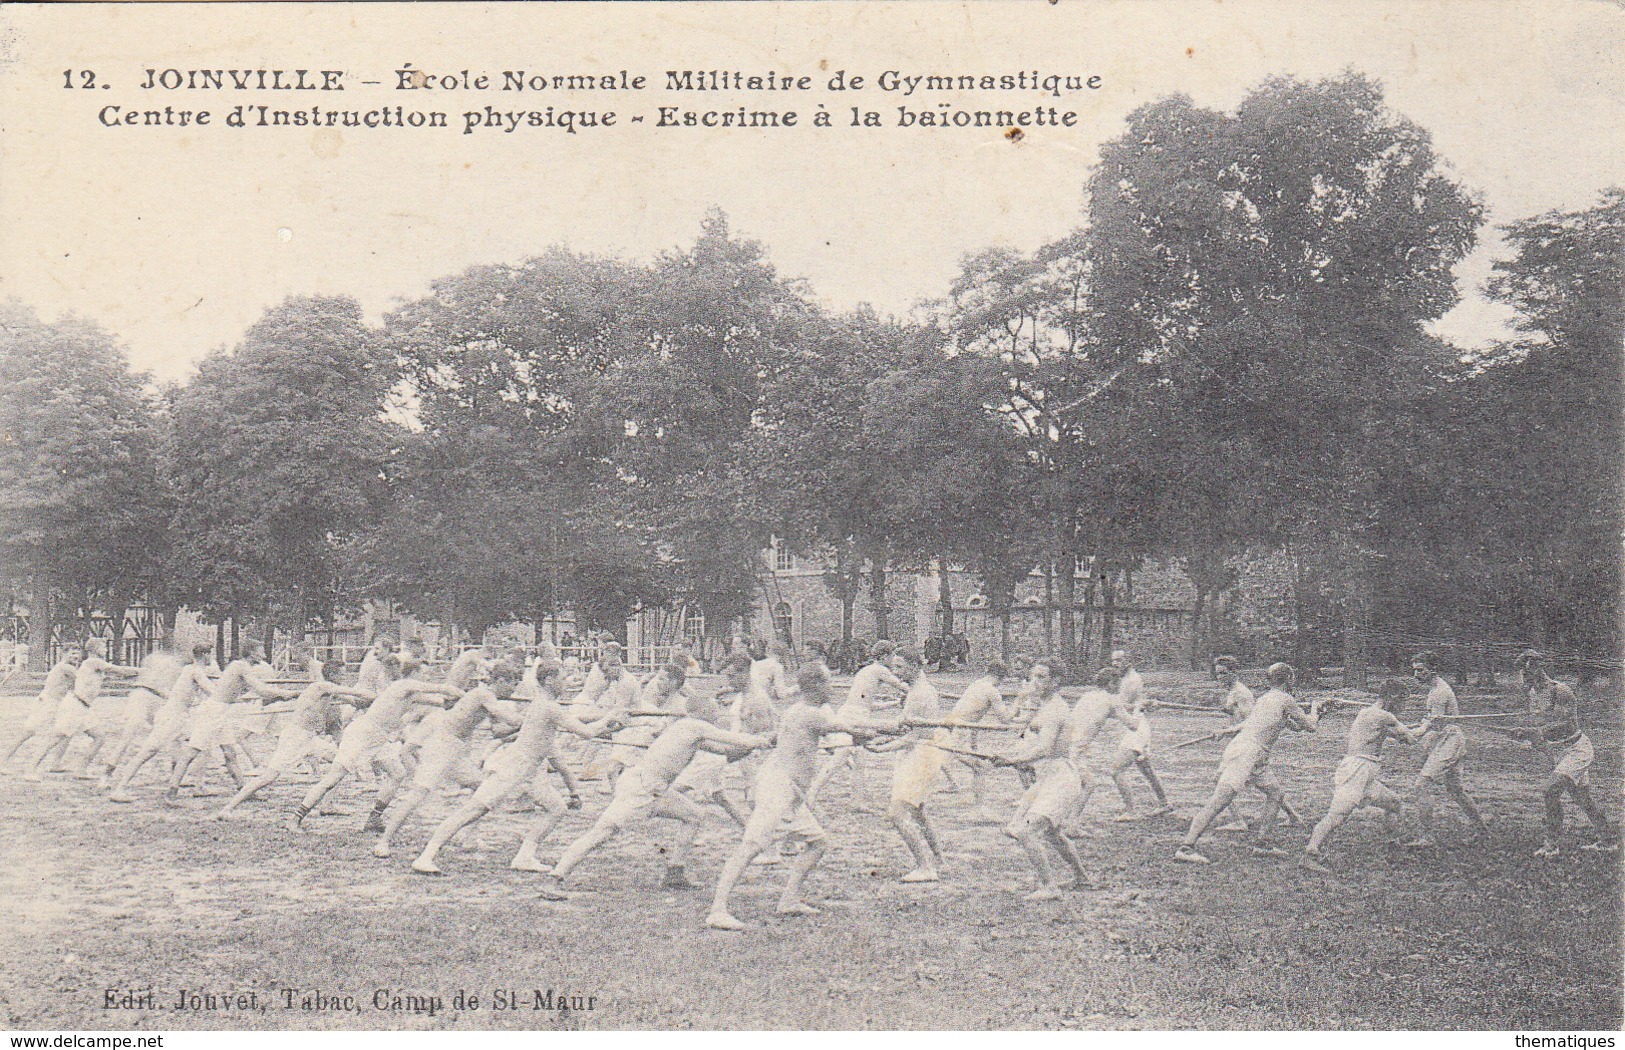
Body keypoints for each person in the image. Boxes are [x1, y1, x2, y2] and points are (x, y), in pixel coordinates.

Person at [705, 662, 900, 931]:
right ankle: (718, 910)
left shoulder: (801, 712)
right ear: (816, 686)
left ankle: (789, 899)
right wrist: (895, 726)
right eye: (828, 682)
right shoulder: (808, 714)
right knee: (750, 847)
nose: (832, 687)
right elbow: (852, 729)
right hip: (778, 789)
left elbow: (853, 734)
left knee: (818, 843)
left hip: (791, 792)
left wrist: (877, 733)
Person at [410, 659, 618, 876]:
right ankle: (425, 856)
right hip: (515, 767)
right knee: (472, 810)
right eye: (562, 679)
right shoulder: (548, 706)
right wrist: (611, 718)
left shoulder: (544, 704)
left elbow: (583, 726)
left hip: (532, 770)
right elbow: (585, 732)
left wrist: (608, 722)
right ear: (549, 680)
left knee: (557, 808)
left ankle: (524, 856)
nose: (565, 684)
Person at [545, 699, 770, 894]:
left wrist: (757, 744)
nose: (716, 714)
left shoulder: (692, 733)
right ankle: (556, 876)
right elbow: (734, 739)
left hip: (655, 789)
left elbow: (728, 752)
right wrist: (764, 739)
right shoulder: (693, 726)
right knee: (601, 833)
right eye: (713, 710)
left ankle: (675, 873)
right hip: (640, 790)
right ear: (702, 711)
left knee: (694, 815)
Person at [371, 661, 526, 855]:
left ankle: (468, 839)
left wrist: (524, 728)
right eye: (512, 684)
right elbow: (509, 719)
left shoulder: (489, 699)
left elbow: (499, 731)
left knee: (483, 789)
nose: (514, 689)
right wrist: (532, 718)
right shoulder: (483, 694)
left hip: (456, 751)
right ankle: (383, 842)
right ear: (501, 680)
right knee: (417, 795)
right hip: (440, 747)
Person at [1174, 662, 1320, 865]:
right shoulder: (1286, 700)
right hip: (1246, 754)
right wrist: (1316, 709)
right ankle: (1186, 847)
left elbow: (1289, 726)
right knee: (1219, 801)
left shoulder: (1265, 700)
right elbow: (1311, 726)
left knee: (1276, 795)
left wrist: (1225, 732)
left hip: (1255, 755)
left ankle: (1263, 844)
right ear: (1290, 679)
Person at [213, 659, 377, 817]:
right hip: (295, 737)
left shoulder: (331, 691)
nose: (345, 677)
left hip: (309, 738)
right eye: (342, 674)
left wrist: (375, 702)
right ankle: (227, 808)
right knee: (268, 777)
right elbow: (356, 692)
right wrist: (381, 695)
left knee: (338, 764)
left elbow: (357, 702)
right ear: (333, 674)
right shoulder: (321, 686)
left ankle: (327, 805)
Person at [1300, 679, 1430, 873]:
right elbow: (1410, 739)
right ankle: (1310, 853)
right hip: (1356, 771)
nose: (1403, 707)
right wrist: (1428, 725)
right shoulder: (1384, 716)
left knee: (1394, 804)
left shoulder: (1369, 713)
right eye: (1402, 702)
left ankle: (1391, 847)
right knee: (1336, 817)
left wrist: (1414, 726)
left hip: (1365, 773)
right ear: (1392, 698)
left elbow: (1394, 733)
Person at [991, 661, 1089, 901]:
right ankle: (1082, 878)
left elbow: (1044, 749)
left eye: (1042, 677)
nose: (1035, 682)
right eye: (1033, 677)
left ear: (1056, 682)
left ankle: (1049, 887)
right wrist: (1011, 756)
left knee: (1026, 832)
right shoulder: (1044, 708)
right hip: (1048, 777)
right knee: (1052, 833)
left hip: (1061, 777)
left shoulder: (1055, 710)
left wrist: (1010, 760)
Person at [164, 640, 298, 802]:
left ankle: (244, 790)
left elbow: (250, 692)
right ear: (252, 653)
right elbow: (262, 690)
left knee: (230, 753)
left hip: (220, 712)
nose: (264, 655)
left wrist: (281, 694)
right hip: (212, 712)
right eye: (261, 651)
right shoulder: (241, 666)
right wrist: (286, 694)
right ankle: (172, 790)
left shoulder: (240, 667)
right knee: (192, 752)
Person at [1518, 663, 1616, 855]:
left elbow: (1567, 723)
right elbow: (1538, 726)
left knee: (1549, 791)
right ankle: (1608, 841)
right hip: (1558, 752)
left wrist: (1538, 731)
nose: (1522, 678)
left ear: (1537, 670)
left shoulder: (1560, 691)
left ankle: (1551, 846)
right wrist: (1524, 733)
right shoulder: (1533, 694)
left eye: (1525, 672)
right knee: (1583, 799)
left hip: (1577, 750)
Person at [107, 644, 217, 801]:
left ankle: (198, 786)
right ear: (205, 655)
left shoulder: (188, 669)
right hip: (172, 717)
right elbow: (213, 692)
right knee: (148, 752)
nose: (211, 658)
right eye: (209, 654)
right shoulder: (195, 671)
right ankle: (119, 789)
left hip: (180, 717)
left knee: (203, 746)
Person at [806, 640, 908, 808]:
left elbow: (866, 705)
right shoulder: (879, 669)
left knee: (859, 761)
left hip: (855, 714)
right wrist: (917, 690)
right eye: (892, 657)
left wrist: (895, 703)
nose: (893, 662)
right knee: (841, 756)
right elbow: (902, 685)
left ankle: (857, 802)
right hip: (853, 717)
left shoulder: (866, 670)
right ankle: (812, 792)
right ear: (884, 656)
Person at [1405, 652, 1487, 848]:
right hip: (1446, 738)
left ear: (1433, 670)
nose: (1416, 675)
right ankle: (1483, 830)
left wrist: (1409, 733)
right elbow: (1431, 720)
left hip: (1449, 740)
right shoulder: (1434, 689)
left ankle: (1427, 837)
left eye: (1421, 670)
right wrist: (1410, 727)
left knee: (1422, 785)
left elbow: (1433, 725)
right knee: (1455, 789)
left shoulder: (1439, 692)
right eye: (1414, 670)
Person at [882, 651, 948, 882]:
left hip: (921, 756)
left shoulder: (921, 694)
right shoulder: (916, 690)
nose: (895, 673)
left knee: (897, 813)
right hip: (917, 754)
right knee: (917, 811)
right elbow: (905, 728)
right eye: (894, 667)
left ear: (913, 665)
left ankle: (925, 867)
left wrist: (883, 747)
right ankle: (938, 858)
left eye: (899, 667)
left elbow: (916, 736)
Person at [28, 646, 142, 779]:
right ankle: (30, 770)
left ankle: (80, 770)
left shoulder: (96, 666)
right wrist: (142, 671)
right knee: (55, 738)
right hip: (75, 706)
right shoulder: (93, 661)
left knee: (100, 737)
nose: (105, 649)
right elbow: (117, 669)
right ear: (94, 649)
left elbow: (114, 674)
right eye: (102, 646)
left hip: (84, 707)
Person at [98, 645, 186, 782]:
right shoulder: (162, 663)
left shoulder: (174, 667)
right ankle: (106, 774)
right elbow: (157, 685)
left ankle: (175, 775)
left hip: (156, 701)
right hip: (142, 697)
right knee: (129, 735)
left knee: (174, 736)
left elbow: (165, 689)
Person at [1063, 666, 1137, 826]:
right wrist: (1140, 709)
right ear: (1111, 683)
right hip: (1075, 749)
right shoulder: (1112, 700)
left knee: (1075, 784)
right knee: (1088, 785)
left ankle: (1065, 823)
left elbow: (1113, 711)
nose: (1120, 687)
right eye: (1118, 683)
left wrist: (1131, 708)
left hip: (1065, 743)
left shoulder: (1088, 695)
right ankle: (1070, 825)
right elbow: (1133, 725)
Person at [1106, 650, 1173, 820]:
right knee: (1146, 769)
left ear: (1128, 661)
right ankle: (1165, 803)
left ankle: (1130, 811)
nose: (1115, 664)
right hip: (1135, 727)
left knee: (1116, 770)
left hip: (1137, 729)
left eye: (1119, 660)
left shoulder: (1132, 680)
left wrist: (1107, 705)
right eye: (1113, 661)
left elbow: (1125, 707)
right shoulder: (1122, 679)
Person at [2, 648, 83, 772]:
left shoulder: (68, 668)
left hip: (57, 705)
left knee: (66, 733)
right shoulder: (64, 667)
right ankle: (3, 761)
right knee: (28, 732)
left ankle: (55, 763)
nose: (75, 656)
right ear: (64, 653)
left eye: (77, 654)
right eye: (72, 653)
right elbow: (83, 678)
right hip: (47, 703)